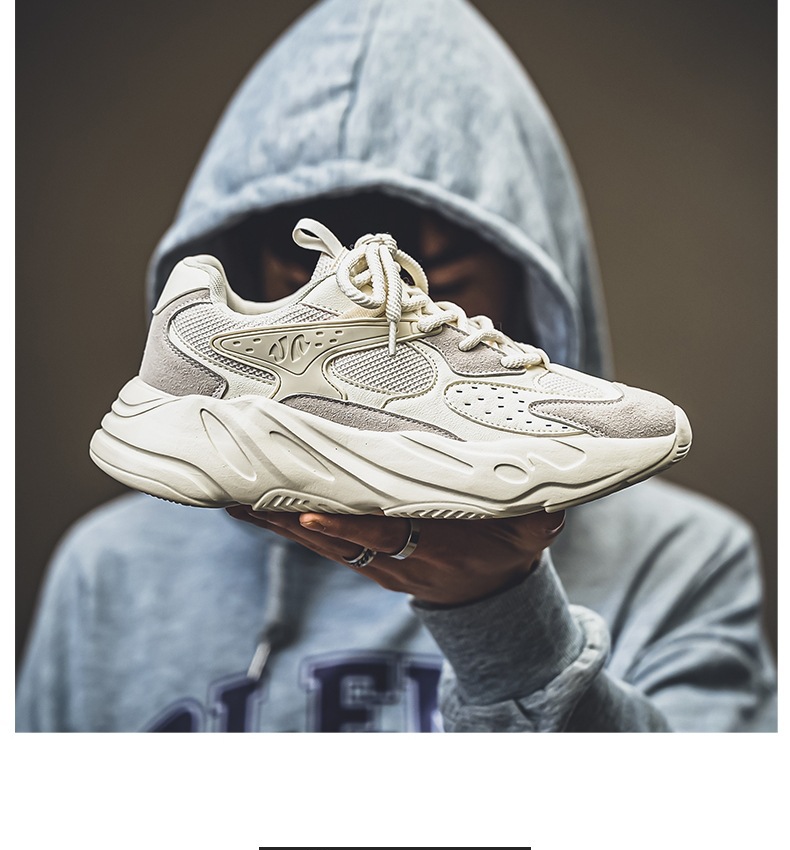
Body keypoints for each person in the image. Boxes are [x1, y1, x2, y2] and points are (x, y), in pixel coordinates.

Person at [16, 0, 776, 732]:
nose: (407, 316)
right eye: (358, 291)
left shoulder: (682, 557)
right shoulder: (108, 571)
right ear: (251, 259)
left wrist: (504, 617)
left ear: (523, 273)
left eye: (424, 282)